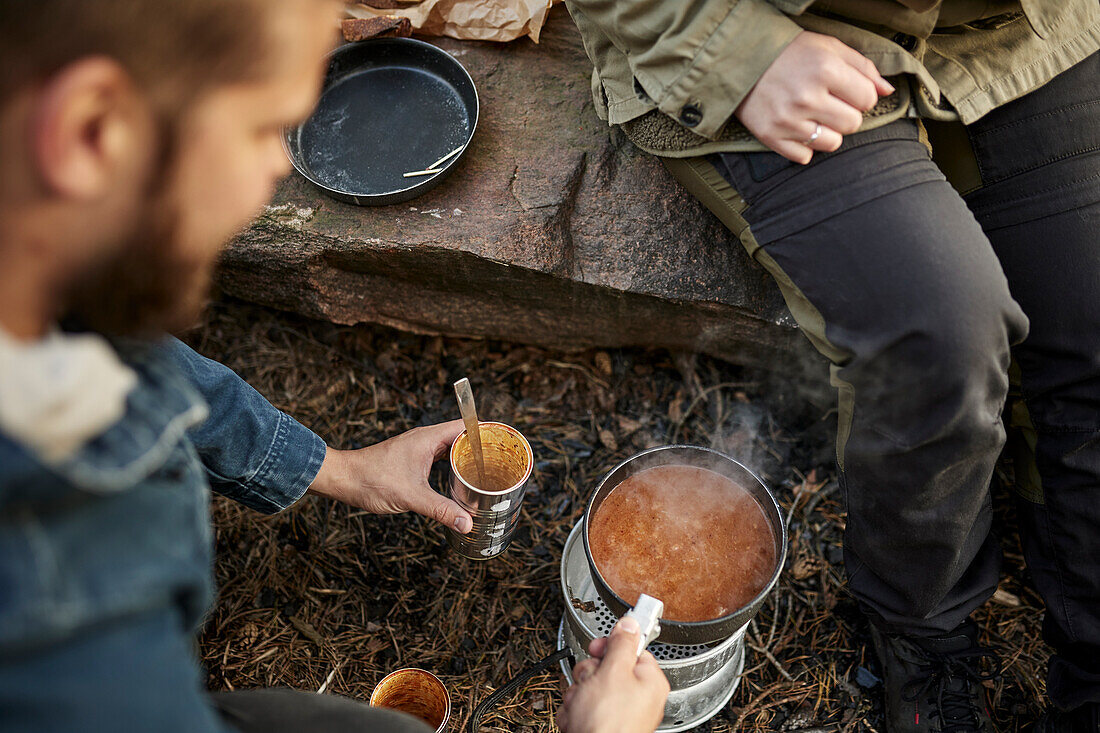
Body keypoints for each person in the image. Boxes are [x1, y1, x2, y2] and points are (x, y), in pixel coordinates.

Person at [0, 1, 669, 731]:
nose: (276, 170)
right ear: (91, 129)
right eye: (261, 129)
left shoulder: (36, 298)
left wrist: (335, 467)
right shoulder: (58, 564)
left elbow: (144, 367)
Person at [563, 1, 1100, 732]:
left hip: (1019, 28)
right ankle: (922, 630)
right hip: (761, 30)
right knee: (941, 335)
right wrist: (736, 53)